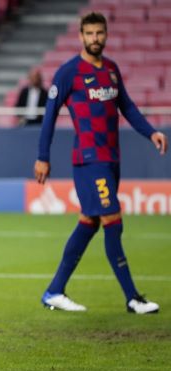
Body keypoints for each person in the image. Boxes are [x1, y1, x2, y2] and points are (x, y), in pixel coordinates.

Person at [35, 12, 168, 314]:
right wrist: (43, 157)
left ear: (106, 35)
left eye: (100, 33)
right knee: (113, 220)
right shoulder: (69, 72)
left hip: (111, 159)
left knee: (90, 222)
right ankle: (133, 297)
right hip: (88, 159)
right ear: (81, 36)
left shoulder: (111, 70)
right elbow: (50, 117)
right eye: (89, 33)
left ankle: (54, 291)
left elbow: (128, 107)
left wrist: (151, 133)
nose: (95, 38)